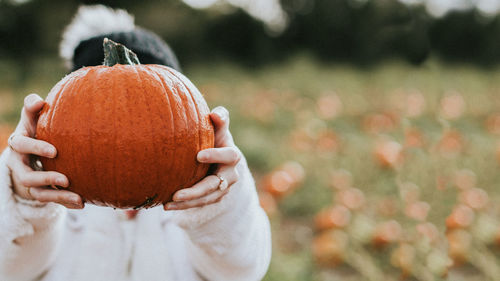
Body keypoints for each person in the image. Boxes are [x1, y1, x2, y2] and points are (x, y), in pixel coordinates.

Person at [0, 5, 271, 281]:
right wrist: (21, 200)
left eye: (155, 116)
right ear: (55, 123)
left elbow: (243, 271)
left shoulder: (190, 205)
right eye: (102, 119)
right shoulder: (54, 199)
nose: (124, 139)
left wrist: (219, 207)